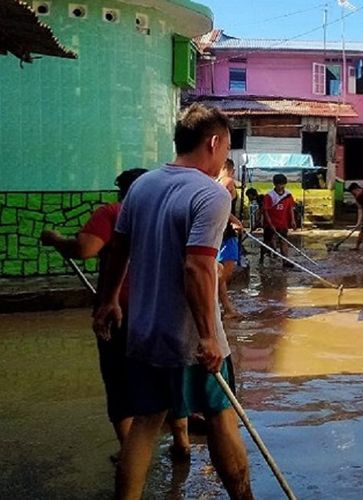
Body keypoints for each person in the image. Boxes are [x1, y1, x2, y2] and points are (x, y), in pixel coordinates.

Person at [93, 103, 252, 499]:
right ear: (213, 143)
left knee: (146, 422)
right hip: (188, 340)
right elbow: (198, 268)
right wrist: (208, 336)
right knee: (219, 417)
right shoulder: (211, 195)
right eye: (226, 148)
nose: (224, 158)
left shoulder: (142, 186)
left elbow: (118, 251)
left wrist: (109, 300)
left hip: (143, 331)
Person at [40, 168, 191, 463]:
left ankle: (129, 450)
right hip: (164, 309)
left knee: (120, 381)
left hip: (121, 309)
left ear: (122, 191)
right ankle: (181, 440)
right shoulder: (171, 214)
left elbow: (84, 249)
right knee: (166, 375)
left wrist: (56, 239)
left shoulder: (113, 212)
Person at [217, 159, 243, 319]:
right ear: (230, 169)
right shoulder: (227, 181)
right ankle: (211, 307)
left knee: (219, 274)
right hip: (227, 234)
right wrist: (235, 221)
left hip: (219, 232)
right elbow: (220, 206)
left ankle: (227, 309)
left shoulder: (215, 182)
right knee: (224, 275)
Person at [261, 174, 297, 266]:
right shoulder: (269, 196)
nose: (281, 186)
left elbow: (290, 208)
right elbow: (266, 211)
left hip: (283, 223)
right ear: (274, 184)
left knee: (283, 241)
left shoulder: (288, 195)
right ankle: (262, 257)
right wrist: (270, 224)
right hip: (270, 224)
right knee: (267, 241)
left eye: (283, 184)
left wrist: (292, 220)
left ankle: (285, 261)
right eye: (279, 184)